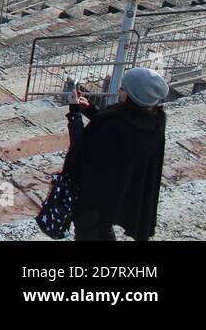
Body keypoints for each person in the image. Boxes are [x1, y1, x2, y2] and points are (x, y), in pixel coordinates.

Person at [65, 68, 168, 241]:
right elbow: (116, 133)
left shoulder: (116, 125)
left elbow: (80, 148)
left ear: (132, 96)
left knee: (86, 229)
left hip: (94, 192)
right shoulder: (155, 121)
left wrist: (74, 113)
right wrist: (90, 109)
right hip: (118, 191)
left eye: (123, 88)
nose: (119, 90)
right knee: (104, 225)